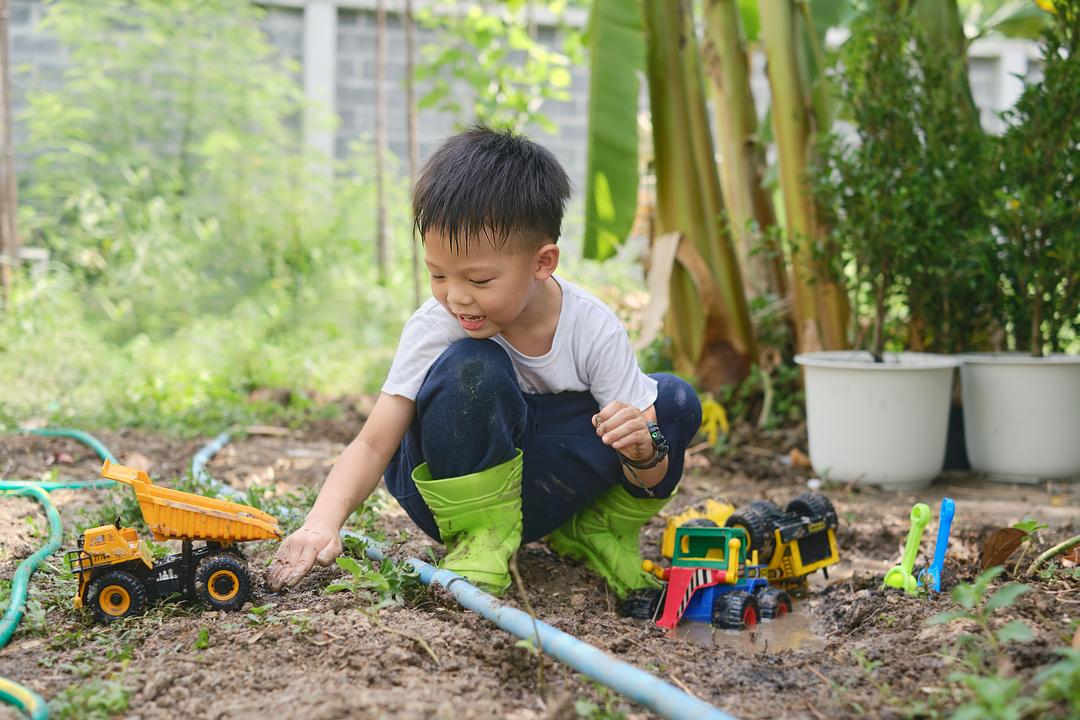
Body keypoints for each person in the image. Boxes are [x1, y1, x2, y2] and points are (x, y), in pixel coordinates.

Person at [266, 124, 702, 597]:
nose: (455, 298)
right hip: (447, 490)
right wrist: (319, 523)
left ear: (543, 262)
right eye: (437, 274)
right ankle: (480, 538)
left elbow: (649, 464)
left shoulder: (593, 328)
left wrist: (645, 448)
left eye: (478, 280)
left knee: (673, 402)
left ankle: (596, 528)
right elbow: (373, 445)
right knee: (473, 366)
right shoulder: (436, 325)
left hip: (545, 488)